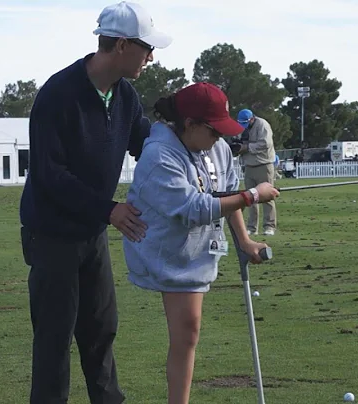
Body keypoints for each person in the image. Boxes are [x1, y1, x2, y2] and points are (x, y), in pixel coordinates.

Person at [18, 2, 172, 403]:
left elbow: (145, 143)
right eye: (146, 47)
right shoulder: (58, 94)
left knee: (101, 330)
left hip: (92, 234)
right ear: (121, 45)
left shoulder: (125, 95)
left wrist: (184, 157)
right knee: (54, 338)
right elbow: (51, 176)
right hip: (52, 234)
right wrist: (109, 210)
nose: (151, 57)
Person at [122, 82, 280, 404]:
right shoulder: (157, 156)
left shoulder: (216, 148)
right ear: (190, 125)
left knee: (189, 333)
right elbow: (195, 209)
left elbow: (227, 193)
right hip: (161, 249)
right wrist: (252, 196)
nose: (220, 139)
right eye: (214, 131)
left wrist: (245, 240)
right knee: (186, 334)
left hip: (196, 250)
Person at [235, 109, 277, 235]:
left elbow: (266, 143)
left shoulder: (262, 125)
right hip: (249, 165)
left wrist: (247, 147)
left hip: (263, 164)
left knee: (267, 197)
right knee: (250, 197)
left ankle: (269, 226)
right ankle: (252, 228)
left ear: (252, 119)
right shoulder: (243, 127)